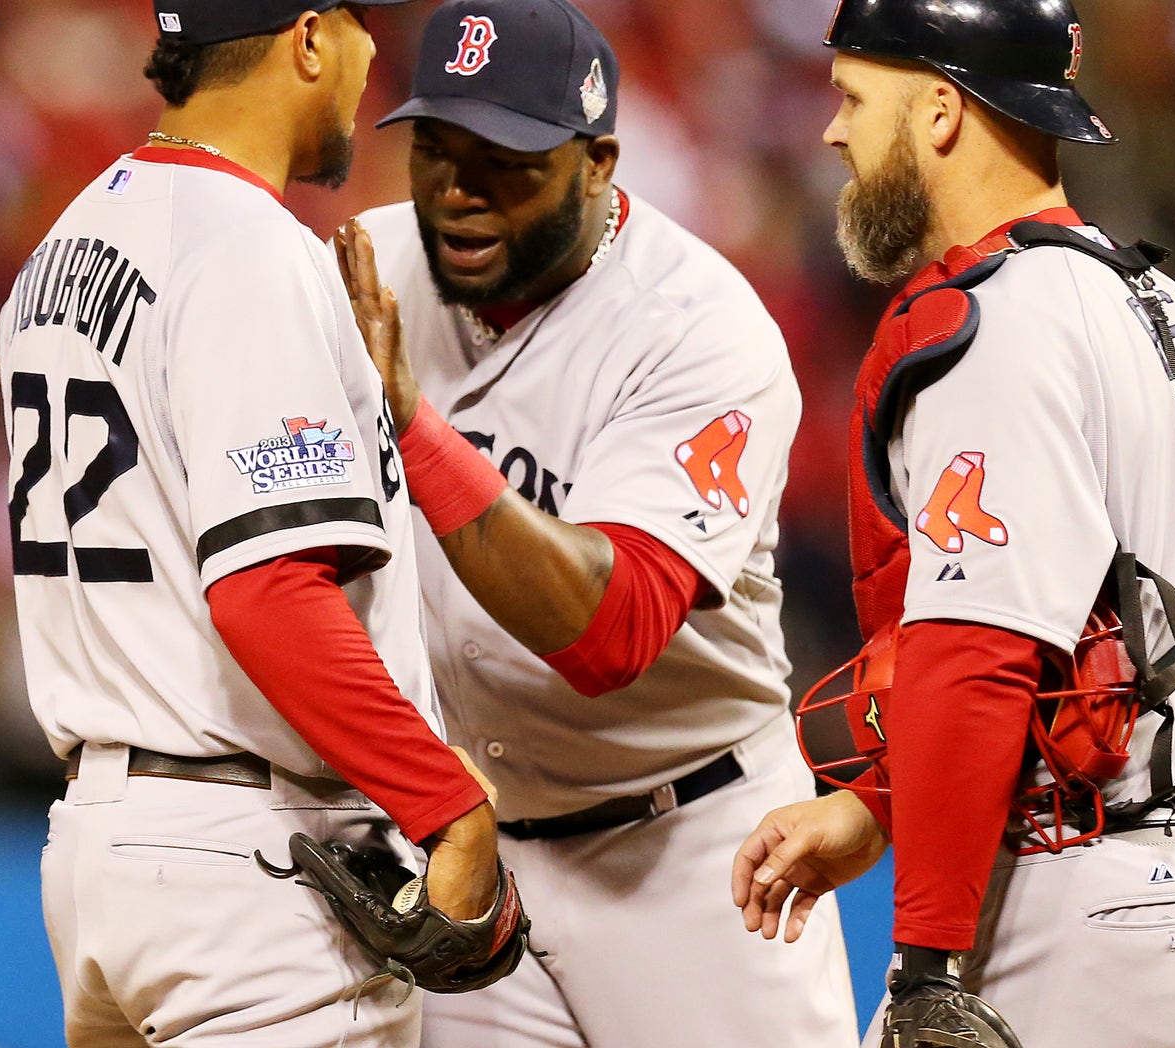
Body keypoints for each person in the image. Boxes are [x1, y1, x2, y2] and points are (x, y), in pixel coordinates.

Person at [732, 2, 1175, 1047]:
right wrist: (874, 807)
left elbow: (978, 654)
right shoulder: (1160, 299)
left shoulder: (993, 321)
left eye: (854, 100)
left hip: (1101, 909)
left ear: (940, 109)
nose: (832, 132)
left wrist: (922, 963)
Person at [327, 0, 859, 1045]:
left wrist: (410, 424)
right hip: (476, 848)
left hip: (694, 850)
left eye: (506, 162)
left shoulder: (696, 330)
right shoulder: (365, 269)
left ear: (599, 162)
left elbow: (607, 632)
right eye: (434, 153)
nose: (460, 192)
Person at [0, 3, 513, 1044]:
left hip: (105, 851)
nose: (376, 58)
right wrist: (445, 804)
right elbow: (267, 588)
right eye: (365, 27)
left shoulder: (64, 243)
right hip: (250, 868)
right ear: (310, 37)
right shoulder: (245, 248)